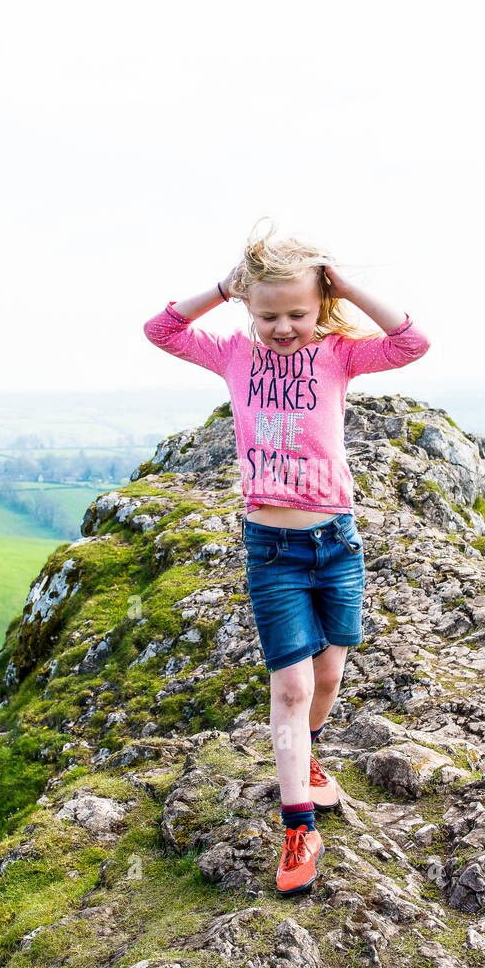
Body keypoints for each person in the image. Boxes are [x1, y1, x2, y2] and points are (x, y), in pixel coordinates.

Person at [143, 217, 431, 894]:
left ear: (318, 305)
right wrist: (221, 288)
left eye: (297, 313)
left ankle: (307, 762)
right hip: (271, 548)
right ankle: (298, 826)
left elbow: (411, 341)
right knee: (292, 688)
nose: (282, 327)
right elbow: (161, 331)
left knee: (327, 679)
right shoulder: (232, 356)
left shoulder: (336, 355)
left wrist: (345, 285)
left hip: (336, 544)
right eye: (268, 313)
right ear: (249, 307)